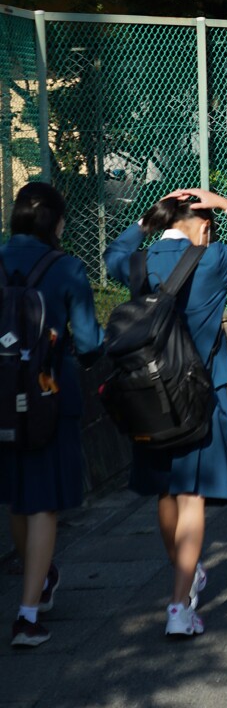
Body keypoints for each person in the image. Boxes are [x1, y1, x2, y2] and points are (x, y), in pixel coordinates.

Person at [105, 188, 227, 637]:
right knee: (192, 497)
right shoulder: (213, 258)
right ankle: (179, 606)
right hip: (200, 394)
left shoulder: (138, 264)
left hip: (147, 397)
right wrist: (225, 204)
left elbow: (114, 252)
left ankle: (185, 572)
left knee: (165, 494)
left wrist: (145, 222)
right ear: (202, 226)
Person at [1, 183, 102, 648]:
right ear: (56, 222)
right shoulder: (65, 268)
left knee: (18, 496)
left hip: (1, 395)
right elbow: (88, 342)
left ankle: (40, 581)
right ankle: (27, 614)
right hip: (47, 395)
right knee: (42, 501)